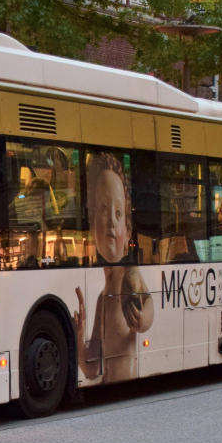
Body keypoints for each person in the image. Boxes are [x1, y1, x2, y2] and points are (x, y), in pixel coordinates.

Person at [74, 152, 154, 384]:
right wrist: (79, 338)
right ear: (92, 227)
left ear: (128, 231)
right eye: (102, 209)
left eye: (119, 214)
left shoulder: (130, 273)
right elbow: (91, 368)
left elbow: (148, 302)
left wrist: (142, 318)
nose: (110, 220)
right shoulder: (102, 299)